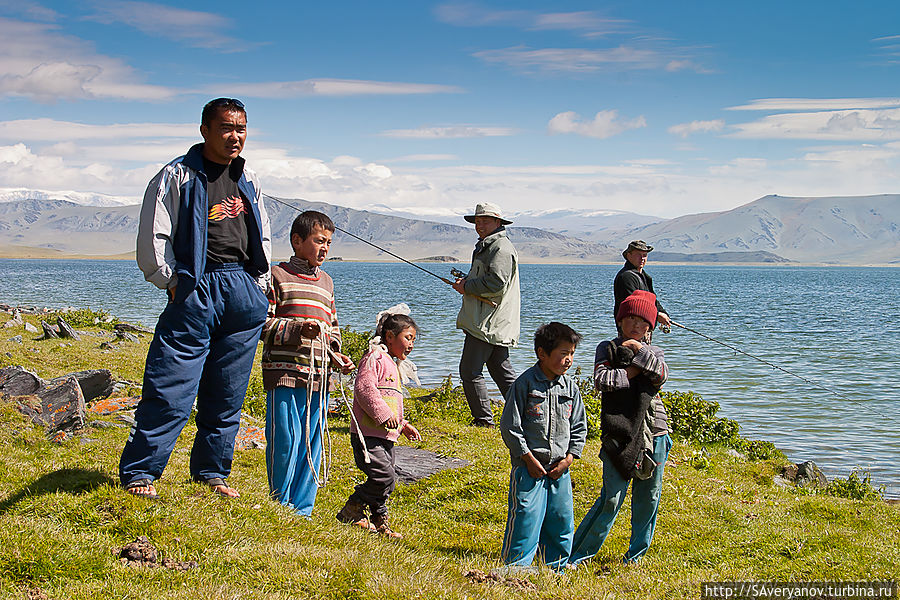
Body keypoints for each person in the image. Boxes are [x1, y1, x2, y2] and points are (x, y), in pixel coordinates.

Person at [120, 97, 271, 499]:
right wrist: (171, 283)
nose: (234, 136)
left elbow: (263, 230)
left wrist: (259, 282)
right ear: (204, 129)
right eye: (225, 127)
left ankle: (212, 473)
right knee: (170, 386)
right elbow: (154, 236)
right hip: (195, 288)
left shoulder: (248, 177)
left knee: (228, 392)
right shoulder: (177, 175)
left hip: (241, 288)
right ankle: (141, 473)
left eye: (240, 128)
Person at [261, 210, 354, 516]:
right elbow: (263, 324)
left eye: (328, 242)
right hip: (285, 372)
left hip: (319, 376)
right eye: (318, 241)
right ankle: (281, 501)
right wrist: (299, 330)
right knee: (286, 438)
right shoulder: (278, 276)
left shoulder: (326, 283)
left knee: (313, 441)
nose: (325, 248)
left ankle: (303, 508)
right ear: (297, 241)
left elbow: (333, 326)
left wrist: (336, 354)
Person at [569, 289, 671, 566]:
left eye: (643, 322)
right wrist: (638, 368)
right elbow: (603, 381)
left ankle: (636, 556)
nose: (637, 326)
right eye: (631, 319)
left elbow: (660, 376)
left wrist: (639, 353)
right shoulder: (607, 348)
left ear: (651, 327)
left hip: (655, 432)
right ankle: (578, 554)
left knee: (648, 497)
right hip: (618, 433)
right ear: (620, 321)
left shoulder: (655, 351)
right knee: (611, 498)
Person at [499, 322, 587, 572]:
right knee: (526, 517)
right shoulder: (525, 384)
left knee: (561, 520)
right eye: (563, 354)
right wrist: (527, 458)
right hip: (530, 468)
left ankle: (556, 566)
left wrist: (569, 458)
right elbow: (510, 426)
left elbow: (579, 427)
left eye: (571, 354)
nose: (568, 360)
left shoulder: (570, 388)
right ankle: (516, 567)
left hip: (560, 468)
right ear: (542, 353)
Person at [337, 305, 422, 538]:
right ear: (389, 336)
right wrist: (383, 416)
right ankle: (352, 507)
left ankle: (379, 520)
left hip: (386, 436)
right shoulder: (375, 357)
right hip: (367, 434)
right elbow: (365, 389)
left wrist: (402, 425)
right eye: (408, 337)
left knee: (387, 480)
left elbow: (393, 402)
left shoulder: (392, 364)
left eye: (414, 339)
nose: (412, 344)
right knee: (384, 476)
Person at [453, 202, 520, 427]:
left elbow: (497, 283)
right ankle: (528, 415)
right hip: (493, 320)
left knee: (470, 371)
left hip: (487, 321)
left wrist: (467, 286)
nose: (480, 225)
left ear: (498, 223)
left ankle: (484, 421)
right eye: (478, 221)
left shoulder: (499, 248)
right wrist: (467, 284)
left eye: (485, 221)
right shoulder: (489, 245)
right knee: (501, 371)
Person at [613, 240, 671, 339]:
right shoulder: (626, 277)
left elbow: (652, 300)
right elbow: (634, 305)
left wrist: (663, 313)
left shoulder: (643, 276)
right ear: (629, 256)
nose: (642, 258)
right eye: (638, 255)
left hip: (642, 329)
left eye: (645, 255)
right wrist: (657, 315)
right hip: (631, 330)